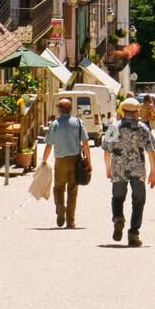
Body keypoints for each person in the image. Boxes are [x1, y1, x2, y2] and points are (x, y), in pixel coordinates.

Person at [103, 96, 155, 246]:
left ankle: (118, 218)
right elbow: (151, 151)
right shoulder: (142, 128)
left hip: (118, 167)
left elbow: (107, 151)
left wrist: (108, 168)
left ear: (124, 111)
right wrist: (153, 172)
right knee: (138, 202)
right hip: (137, 168)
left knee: (117, 198)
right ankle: (133, 234)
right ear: (136, 112)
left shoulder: (114, 126)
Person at [42, 96, 91, 229]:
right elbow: (85, 144)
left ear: (60, 110)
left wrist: (44, 161)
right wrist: (89, 163)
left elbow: (48, 145)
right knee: (73, 190)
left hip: (60, 160)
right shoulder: (79, 123)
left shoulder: (55, 124)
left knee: (58, 188)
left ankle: (60, 206)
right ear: (70, 109)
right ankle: (70, 221)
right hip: (75, 160)